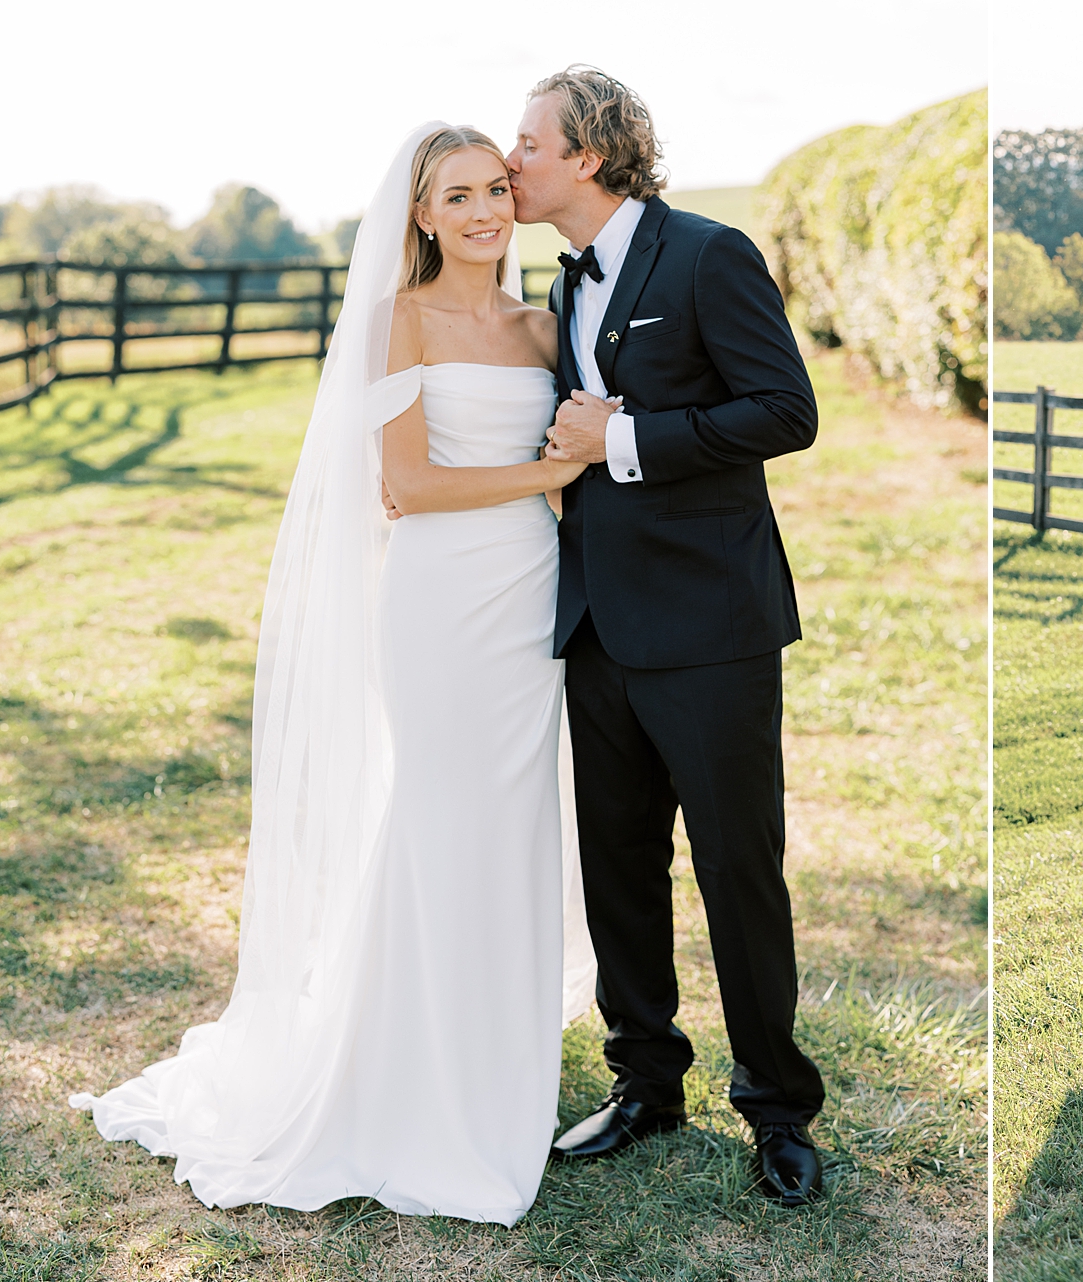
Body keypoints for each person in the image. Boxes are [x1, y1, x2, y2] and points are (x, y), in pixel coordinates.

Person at [71, 124, 588, 1224]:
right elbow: (405, 483)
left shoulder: (545, 327)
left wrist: (571, 466)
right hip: (442, 598)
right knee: (437, 817)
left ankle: (496, 1063)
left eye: (497, 188)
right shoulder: (396, 320)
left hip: (530, 597)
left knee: (516, 823)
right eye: (458, 195)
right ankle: (399, 1072)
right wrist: (547, 468)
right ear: (421, 215)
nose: (486, 210)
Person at [512, 66, 828, 1207]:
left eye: (528, 141)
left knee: (737, 868)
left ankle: (779, 1107)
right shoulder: (558, 284)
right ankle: (646, 1079)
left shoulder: (706, 254)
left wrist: (626, 436)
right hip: (593, 618)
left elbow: (784, 411)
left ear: (588, 154)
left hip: (710, 625)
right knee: (618, 867)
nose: (511, 160)